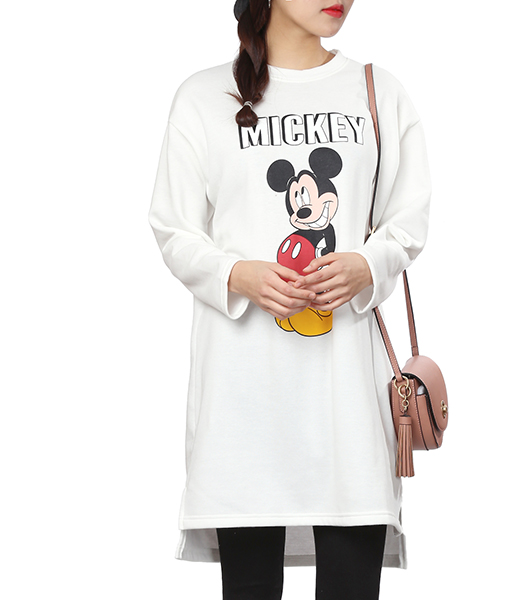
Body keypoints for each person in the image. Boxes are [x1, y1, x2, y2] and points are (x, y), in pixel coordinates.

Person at [148, 0, 432, 598]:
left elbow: (407, 221)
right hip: (243, 407)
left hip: (348, 407)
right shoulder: (203, 97)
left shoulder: (378, 92)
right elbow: (173, 229)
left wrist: (365, 264)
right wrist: (238, 275)